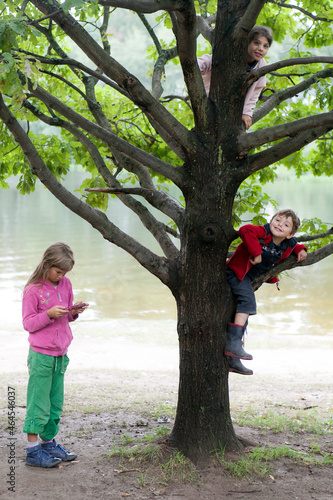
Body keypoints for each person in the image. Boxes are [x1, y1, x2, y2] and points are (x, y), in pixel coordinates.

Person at [22, 242, 88, 467]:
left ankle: (48, 443)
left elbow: (65, 316)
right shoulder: (33, 290)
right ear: (47, 265)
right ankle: (32, 451)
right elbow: (28, 324)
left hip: (61, 354)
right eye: (58, 272)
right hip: (41, 356)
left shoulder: (66, 284)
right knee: (38, 403)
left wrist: (74, 312)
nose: (61, 276)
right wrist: (48, 314)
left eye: (65, 273)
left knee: (55, 403)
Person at [225, 210, 307, 375]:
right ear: (271, 221)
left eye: (285, 224)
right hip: (236, 272)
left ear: (290, 234)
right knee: (248, 303)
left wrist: (301, 249)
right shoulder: (264, 232)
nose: (279, 225)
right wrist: (256, 252)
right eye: (277, 220)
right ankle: (232, 346)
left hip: (248, 278)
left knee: (243, 318)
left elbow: (295, 245)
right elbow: (245, 230)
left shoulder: (287, 244)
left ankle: (233, 358)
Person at [197, 25, 273, 130]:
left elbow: (255, 91)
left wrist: (246, 112)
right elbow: (208, 60)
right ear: (247, 42)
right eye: (256, 43)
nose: (260, 48)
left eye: (265, 46)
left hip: (233, 107)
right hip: (212, 100)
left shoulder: (262, 67)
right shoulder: (231, 53)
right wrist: (198, 66)